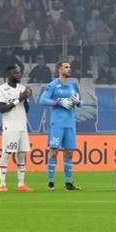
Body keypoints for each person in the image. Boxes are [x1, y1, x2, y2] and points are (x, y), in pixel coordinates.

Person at [38, 60, 82, 191]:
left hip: (70, 123)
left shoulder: (73, 85)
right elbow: (42, 100)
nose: (69, 69)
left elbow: (80, 101)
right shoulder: (52, 85)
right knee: (54, 151)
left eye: (69, 67)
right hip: (57, 123)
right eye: (66, 67)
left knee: (69, 152)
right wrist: (59, 102)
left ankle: (68, 183)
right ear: (59, 70)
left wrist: (77, 101)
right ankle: (51, 182)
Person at [0, 65, 34, 192]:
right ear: (8, 75)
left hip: (22, 126)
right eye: (15, 73)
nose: (18, 75)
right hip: (10, 126)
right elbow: (2, 109)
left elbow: (27, 110)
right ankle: (2, 184)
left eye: (19, 73)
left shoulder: (22, 88)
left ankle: (21, 184)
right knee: (7, 153)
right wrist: (19, 99)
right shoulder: (2, 89)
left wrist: (26, 98)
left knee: (22, 154)